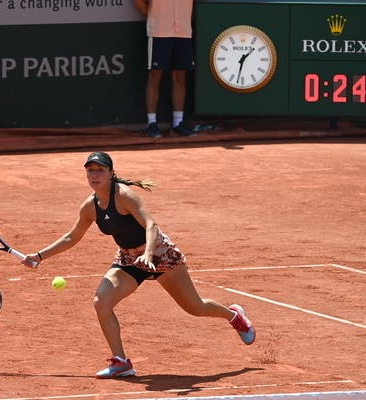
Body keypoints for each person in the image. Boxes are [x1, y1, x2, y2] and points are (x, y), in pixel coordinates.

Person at [22, 151, 256, 379]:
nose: (94, 175)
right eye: (90, 171)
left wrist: (149, 253)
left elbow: (151, 225)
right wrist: (39, 256)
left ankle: (234, 316)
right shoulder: (90, 206)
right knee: (101, 301)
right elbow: (72, 237)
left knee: (195, 308)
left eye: (100, 170)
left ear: (111, 173)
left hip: (160, 255)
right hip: (129, 259)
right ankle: (121, 362)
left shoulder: (124, 195)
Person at [134, 0, 195, 138]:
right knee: (155, 75)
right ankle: (152, 124)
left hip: (183, 32)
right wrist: (154, 18)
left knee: (180, 76)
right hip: (158, 32)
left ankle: (178, 123)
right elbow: (138, 2)